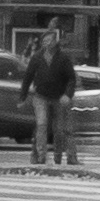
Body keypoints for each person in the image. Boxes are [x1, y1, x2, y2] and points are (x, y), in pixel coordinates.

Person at [19, 20, 78, 167]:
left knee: (59, 130)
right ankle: (41, 157)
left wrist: (67, 94)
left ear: (55, 42)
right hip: (41, 96)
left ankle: (58, 157)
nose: (47, 43)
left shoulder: (63, 58)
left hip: (59, 98)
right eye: (45, 41)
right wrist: (22, 97)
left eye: (49, 40)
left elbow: (71, 78)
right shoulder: (37, 57)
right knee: (42, 124)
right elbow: (28, 77)